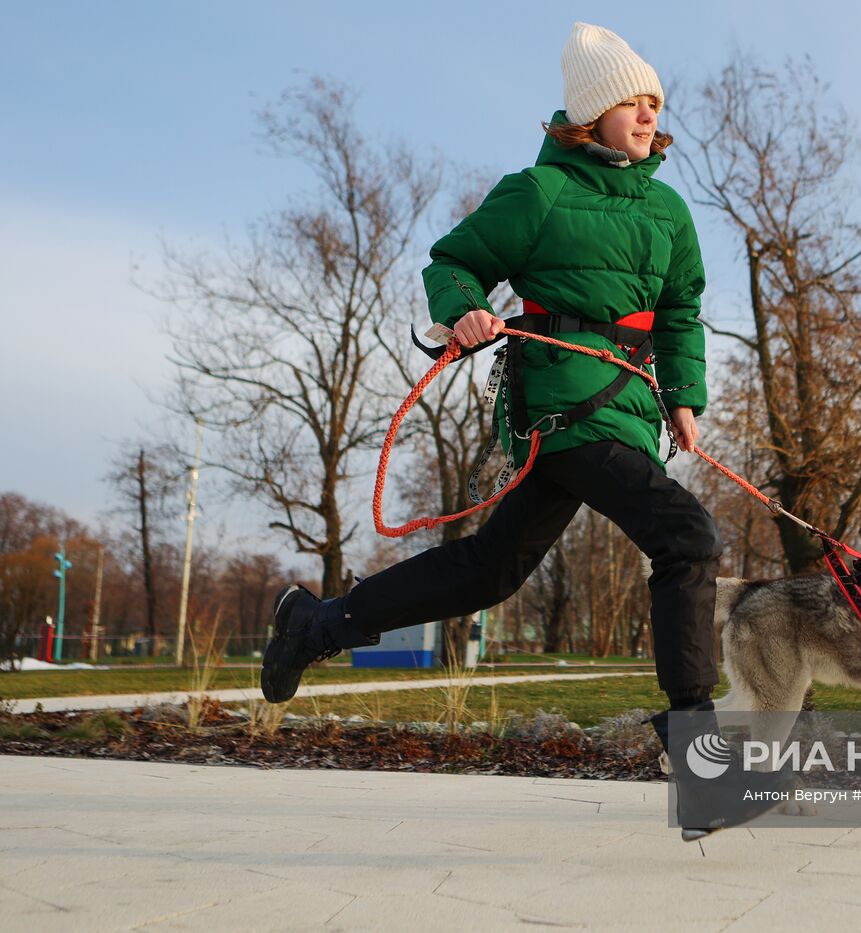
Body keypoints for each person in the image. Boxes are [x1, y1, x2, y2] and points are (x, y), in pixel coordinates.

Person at [260, 22, 775, 839]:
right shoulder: (536, 193)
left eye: (654, 104)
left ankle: (315, 626)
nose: (648, 116)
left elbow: (680, 312)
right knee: (689, 535)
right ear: (589, 112)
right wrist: (463, 310)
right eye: (631, 102)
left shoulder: (670, 209)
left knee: (490, 569)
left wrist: (684, 395)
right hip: (566, 408)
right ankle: (701, 761)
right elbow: (451, 261)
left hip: (628, 411)